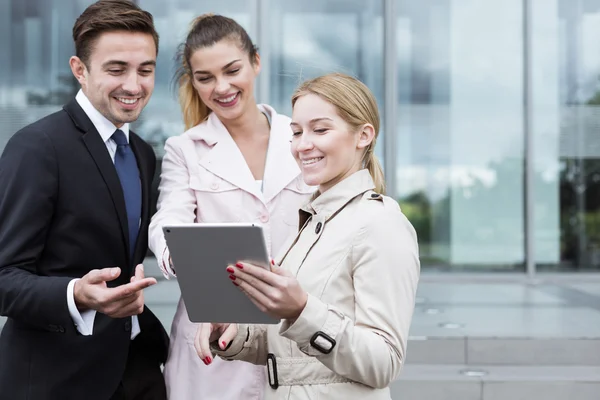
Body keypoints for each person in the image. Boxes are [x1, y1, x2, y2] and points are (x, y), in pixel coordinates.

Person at [194, 72, 421, 399]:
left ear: (363, 136)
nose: (302, 145)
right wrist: (232, 331)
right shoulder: (310, 222)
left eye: (320, 129)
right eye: (296, 132)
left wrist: (302, 311)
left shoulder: (381, 223)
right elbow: (293, 355)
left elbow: (383, 362)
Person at [0, 1, 169, 399]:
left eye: (145, 70)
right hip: (56, 379)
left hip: (134, 370)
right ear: (80, 70)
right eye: (116, 69)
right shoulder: (38, 147)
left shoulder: (142, 153)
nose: (134, 85)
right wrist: (76, 293)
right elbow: (4, 276)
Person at [147, 14, 314, 400]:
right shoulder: (185, 149)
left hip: (293, 329)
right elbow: (167, 219)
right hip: (214, 337)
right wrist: (184, 257)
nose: (221, 87)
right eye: (205, 77)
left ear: (256, 61)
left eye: (232, 70)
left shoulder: (301, 138)